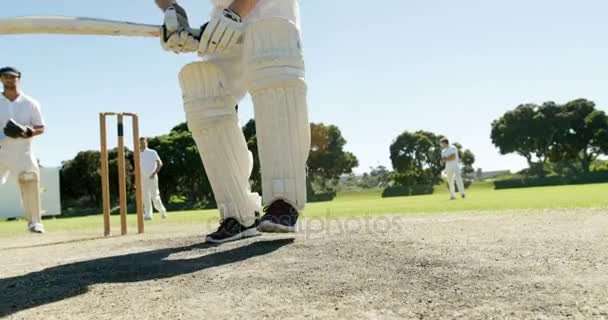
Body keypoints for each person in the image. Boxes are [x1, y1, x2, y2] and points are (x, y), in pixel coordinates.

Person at [155, 0, 310, 243]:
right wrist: (172, 13)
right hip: (223, 15)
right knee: (205, 91)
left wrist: (236, 14)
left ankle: (284, 201)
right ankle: (238, 213)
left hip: (270, 9)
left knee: (274, 74)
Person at [0, 67, 46, 233]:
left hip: (23, 150)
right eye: (5, 77)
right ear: (0, 80)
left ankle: (35, 222)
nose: (8, 80)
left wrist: (29, 131)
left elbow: (41, 127)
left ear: (19, 79)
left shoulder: (30, 103)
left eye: (12, 77)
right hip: (1, 149)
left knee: (30, 181)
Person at [139, 137, 168, 220]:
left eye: (143, 142)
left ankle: (162, 211)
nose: (142, 144)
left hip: (152, 177)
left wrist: (154, 173)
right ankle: (148, 215)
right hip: (143, 178)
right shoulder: (138, 154)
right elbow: (137, 168)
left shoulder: (152, 152)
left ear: (146, 143)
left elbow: (160, 164)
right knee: (145, 197)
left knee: (155, 196)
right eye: (140, 143)